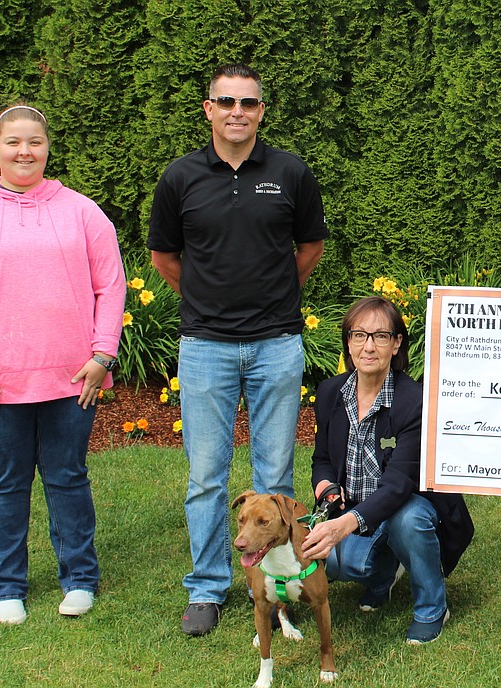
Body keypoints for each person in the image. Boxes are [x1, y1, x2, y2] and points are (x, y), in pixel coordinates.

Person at [0, 102, 125, 625]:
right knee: (5, 484)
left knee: (68, 479)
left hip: (72, 379)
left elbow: (111, 284)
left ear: (47, 147)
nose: (24, 151)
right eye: (13, 141)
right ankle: (5, 586)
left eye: (33, 141)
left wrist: (103, 354)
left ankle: (80, 578)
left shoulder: (81, 211)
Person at [148, 63, 328, 636]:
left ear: (261, 111)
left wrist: (272, 300)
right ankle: (206, 588)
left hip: (277, 343)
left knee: (275, 477)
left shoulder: (290, 172)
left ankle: (276, 584)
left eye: (248, 102)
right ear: (208, 108)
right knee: (206, 475)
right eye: (225, 101)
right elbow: (165, 259)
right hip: (205, 347)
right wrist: (208, 302)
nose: (237, 111)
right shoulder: (180, 178)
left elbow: (309, 246)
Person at [300, 296, 473, 645]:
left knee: (406, 519)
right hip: (353, 508)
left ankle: (431, 608)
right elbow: (321, 459)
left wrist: (340, 527)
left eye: (380, 336)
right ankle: (382, 577)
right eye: (359, 335)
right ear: (348, 342)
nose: (368, 346)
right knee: (336, 565)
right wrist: (327, 491)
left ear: (396, 344)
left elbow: (398, 486)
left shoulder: (415, 400)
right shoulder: (331, 392)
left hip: (407, 505)